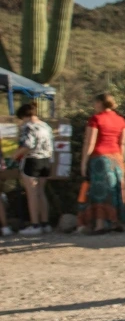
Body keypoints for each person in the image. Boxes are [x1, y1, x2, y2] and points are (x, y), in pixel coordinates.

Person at [81, 92, 125, 232]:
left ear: (100, 103)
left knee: (100, 191)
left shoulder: (95, 119)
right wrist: (122, 161)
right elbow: (123, 143)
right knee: (116, 189)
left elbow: (90, 142)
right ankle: (116, 221)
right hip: (117, 157)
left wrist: (84, 162)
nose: (94, 106)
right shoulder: (121, 120)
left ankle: (100, 224)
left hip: (100, 158)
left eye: (95, 103)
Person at [14, 101, 55, 235]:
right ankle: (45, 223)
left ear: (24, 116)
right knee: (41, 192)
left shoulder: (28, 127)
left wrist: (14, 155)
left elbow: (28, 145)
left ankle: (35, 225)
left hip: (32, 161)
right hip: (45, 160)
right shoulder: (46, 126)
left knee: (32, 194)